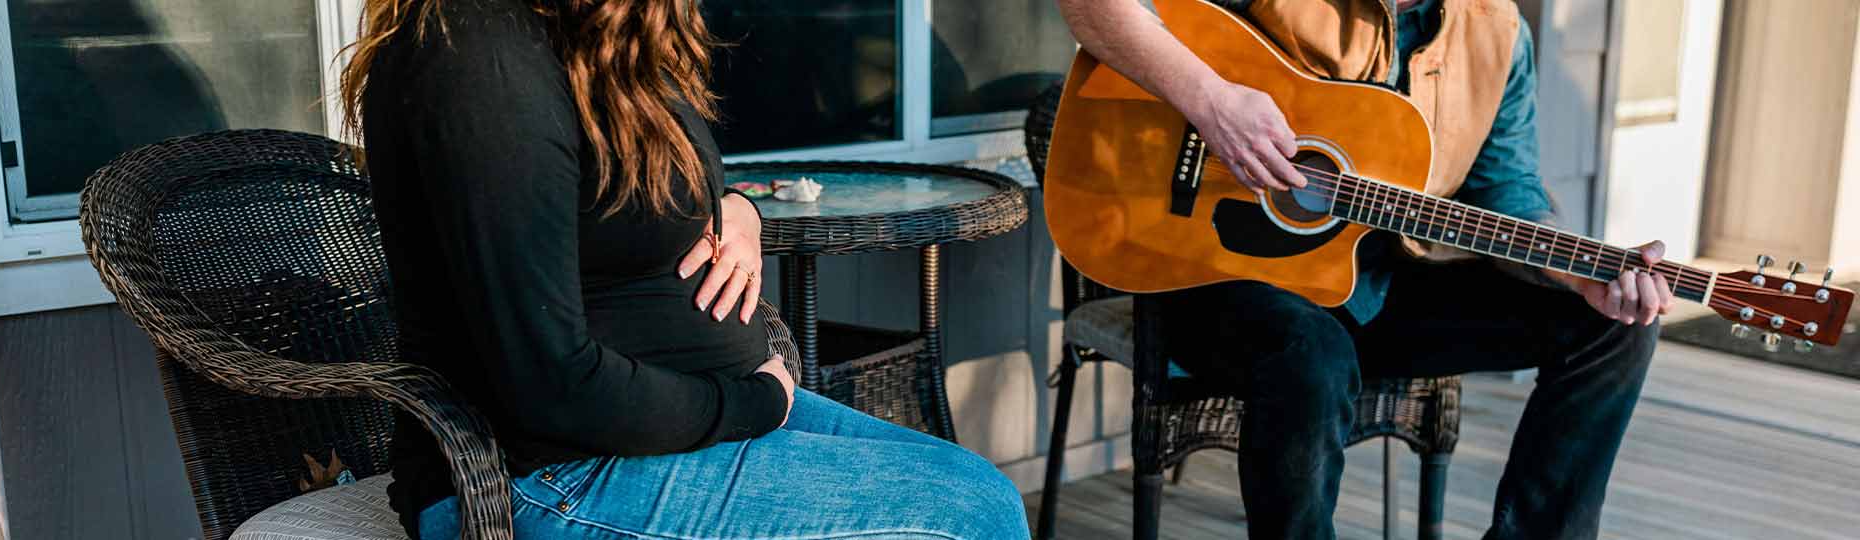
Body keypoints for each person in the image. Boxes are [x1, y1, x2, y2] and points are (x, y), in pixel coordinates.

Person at [340, 0, 1029, 538]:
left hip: (665, 424)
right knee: (968, 514)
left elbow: (619, 205)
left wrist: (734, 207)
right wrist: (755, 403)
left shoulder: (595, 42)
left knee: (976, 490)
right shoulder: (477, 53)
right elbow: (547, 383)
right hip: (546, 473)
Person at [1054, 0, 1673, 538]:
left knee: (1615, 325)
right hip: (1214, 275)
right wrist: (1211, 101)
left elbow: (1510, 199)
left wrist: (1582, 274)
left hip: (1379, 289)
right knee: (1311, 353)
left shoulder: (1499, 32)